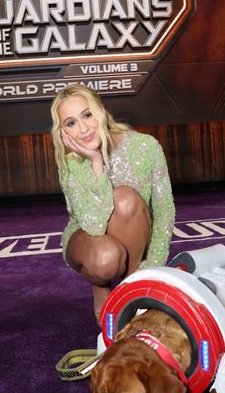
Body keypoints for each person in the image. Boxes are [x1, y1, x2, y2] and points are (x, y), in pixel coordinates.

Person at [50, 84, 175, 324]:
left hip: (136, 237)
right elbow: (94, 226)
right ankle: (101, 285)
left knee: (125, 199)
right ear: (63, 132)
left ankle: (130, 290)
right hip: (88, 240)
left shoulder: (145, 147)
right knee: (105, 258)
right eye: (71, 123)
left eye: (87, 115)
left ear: (101, 111)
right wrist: (96, 163)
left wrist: (152, 268)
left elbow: (164, 211)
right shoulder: (72, 164)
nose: (83, 128)